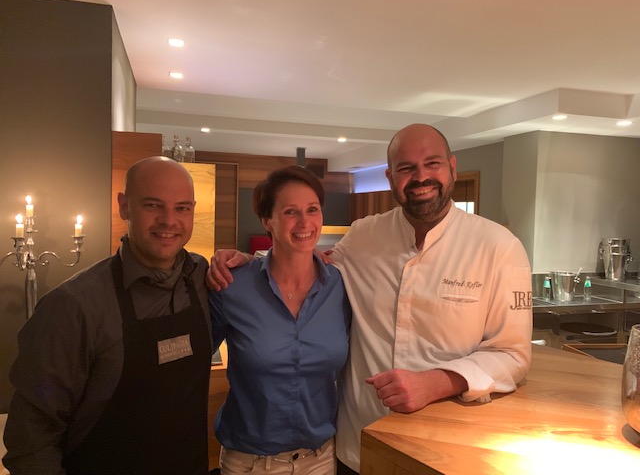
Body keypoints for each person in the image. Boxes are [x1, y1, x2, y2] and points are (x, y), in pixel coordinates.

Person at [206, 124, 533, 474]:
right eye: (406, 168)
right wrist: (248, 261)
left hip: (441, 448)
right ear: (390, 177)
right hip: (354, 445)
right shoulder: (365, 234)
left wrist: (438, 381)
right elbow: (305, 259)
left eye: (432, 163)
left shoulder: (500, 247)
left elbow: (512, 354)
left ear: (452, 167)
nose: (420, 177)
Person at [3, 157, 213, 475]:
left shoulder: (203, 277)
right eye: (153, 205)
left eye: (182, 208)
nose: (169, 221)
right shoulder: (72, 306)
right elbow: (32, 437)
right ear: (124, 206)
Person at [209, 166, 351, 475]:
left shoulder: (341, 286)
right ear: (267, 221)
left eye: (312, 210)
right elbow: (191, 365)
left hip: (321, 460)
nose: (304, 223)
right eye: (290, 212)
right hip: (249, 463)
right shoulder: (232, 287)